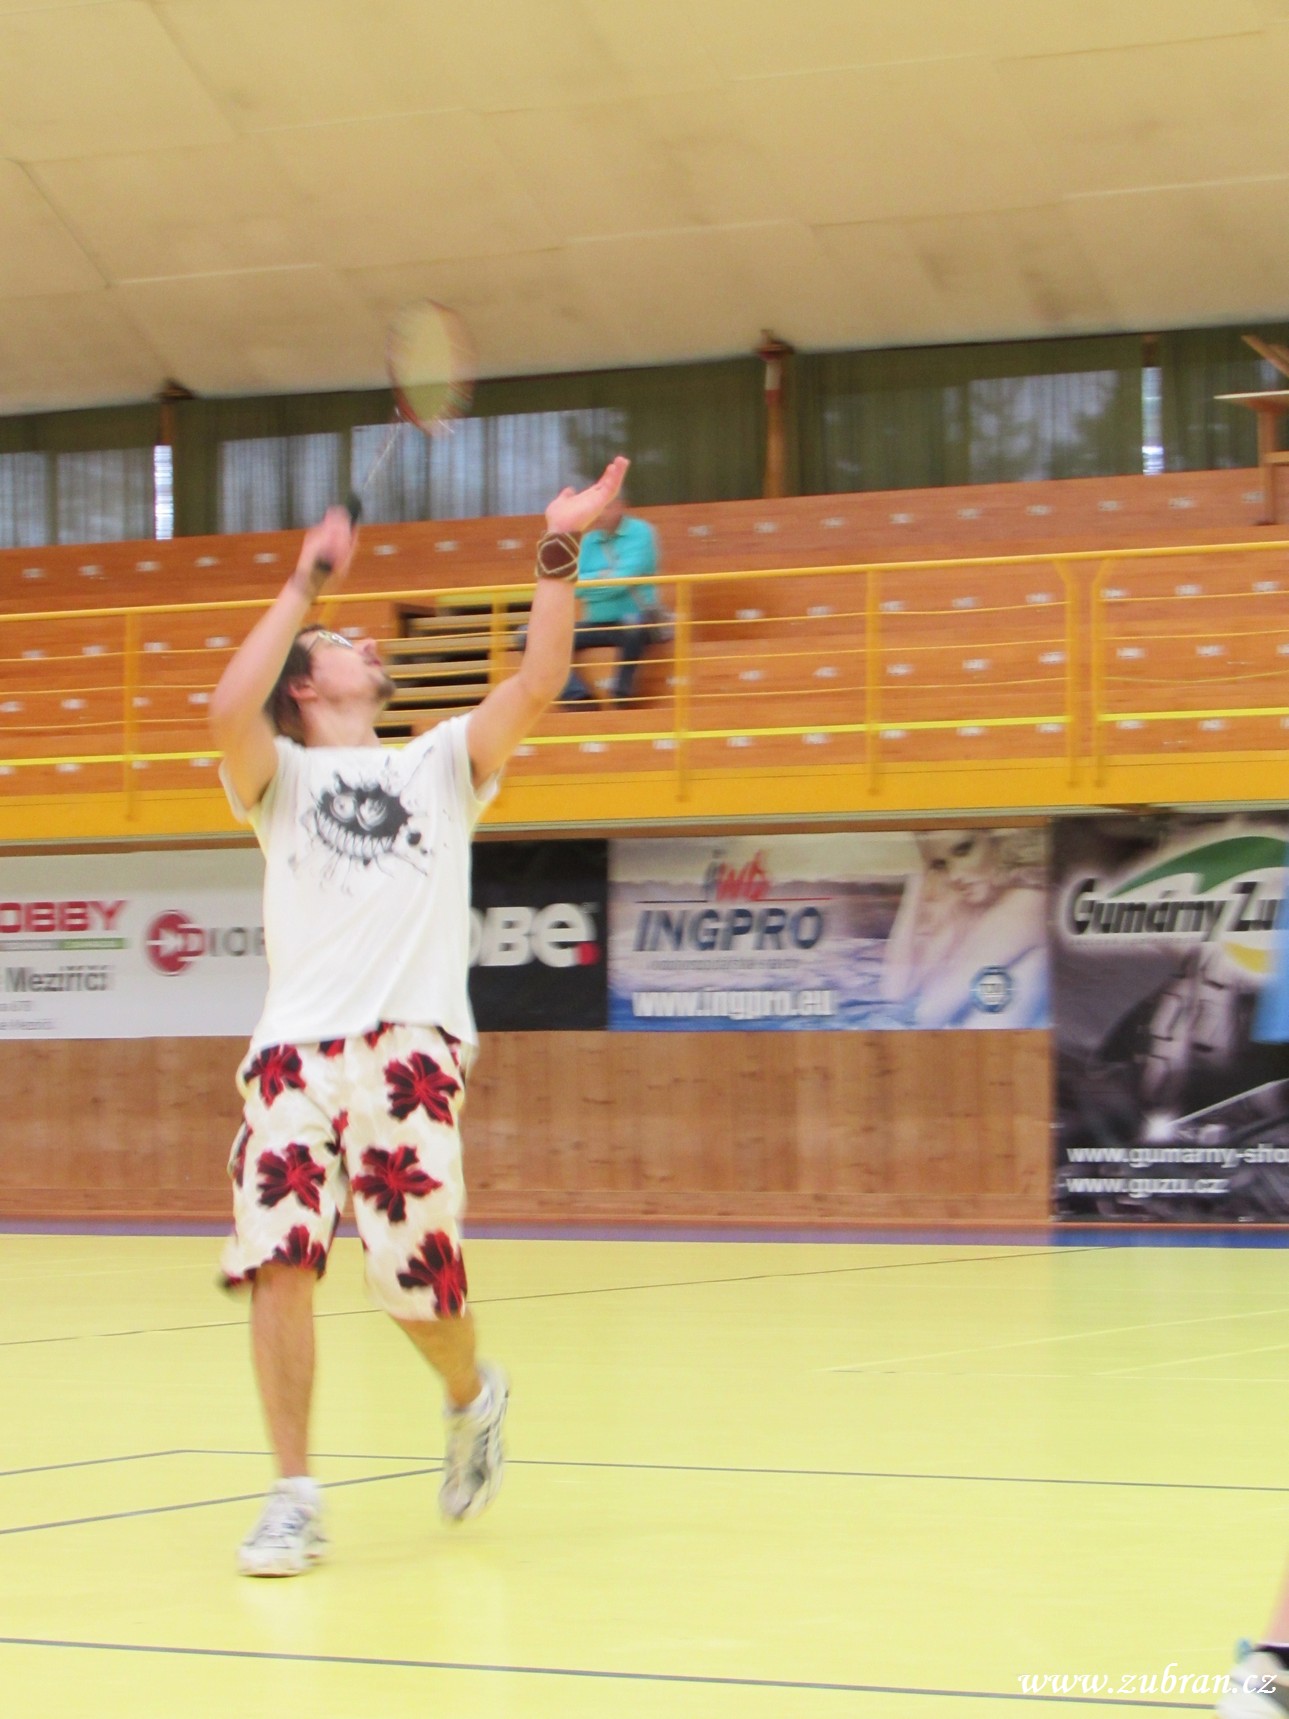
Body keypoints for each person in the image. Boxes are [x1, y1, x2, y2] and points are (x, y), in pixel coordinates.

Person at [209, 455, 629, 1577]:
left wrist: (558, 545)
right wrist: (305, 581)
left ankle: (469, 1393)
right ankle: (293, 1494)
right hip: (292, 1054)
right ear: (307, 683)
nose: (369, 644)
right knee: (280, 1257)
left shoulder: (440, 764)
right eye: (345, 642)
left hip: (410, 1047)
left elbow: (539, 679)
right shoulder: (276, 779)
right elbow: (222, 708)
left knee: (415, 1282)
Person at [878, 828, 1048, 1028]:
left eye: (964, 849)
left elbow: (929, 1013)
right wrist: (916, 884)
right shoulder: (966, 909)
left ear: (997, 840)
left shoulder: (1028, 900)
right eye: (941, 864)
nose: (954, 876)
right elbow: (894, 992)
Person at [560, 489, 663, 704]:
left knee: (633, 624)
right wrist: (604, 576)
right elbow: (572, 585)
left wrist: (592, 581)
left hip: (638, 621)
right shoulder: (588, 540)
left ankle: (622, 695)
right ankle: (577, 697)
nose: (599, 514)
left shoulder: (641, 532)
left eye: (605, 507)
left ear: (621, 506)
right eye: (595, 508)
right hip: (596, 623)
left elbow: (622, 581)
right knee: (532, 637)